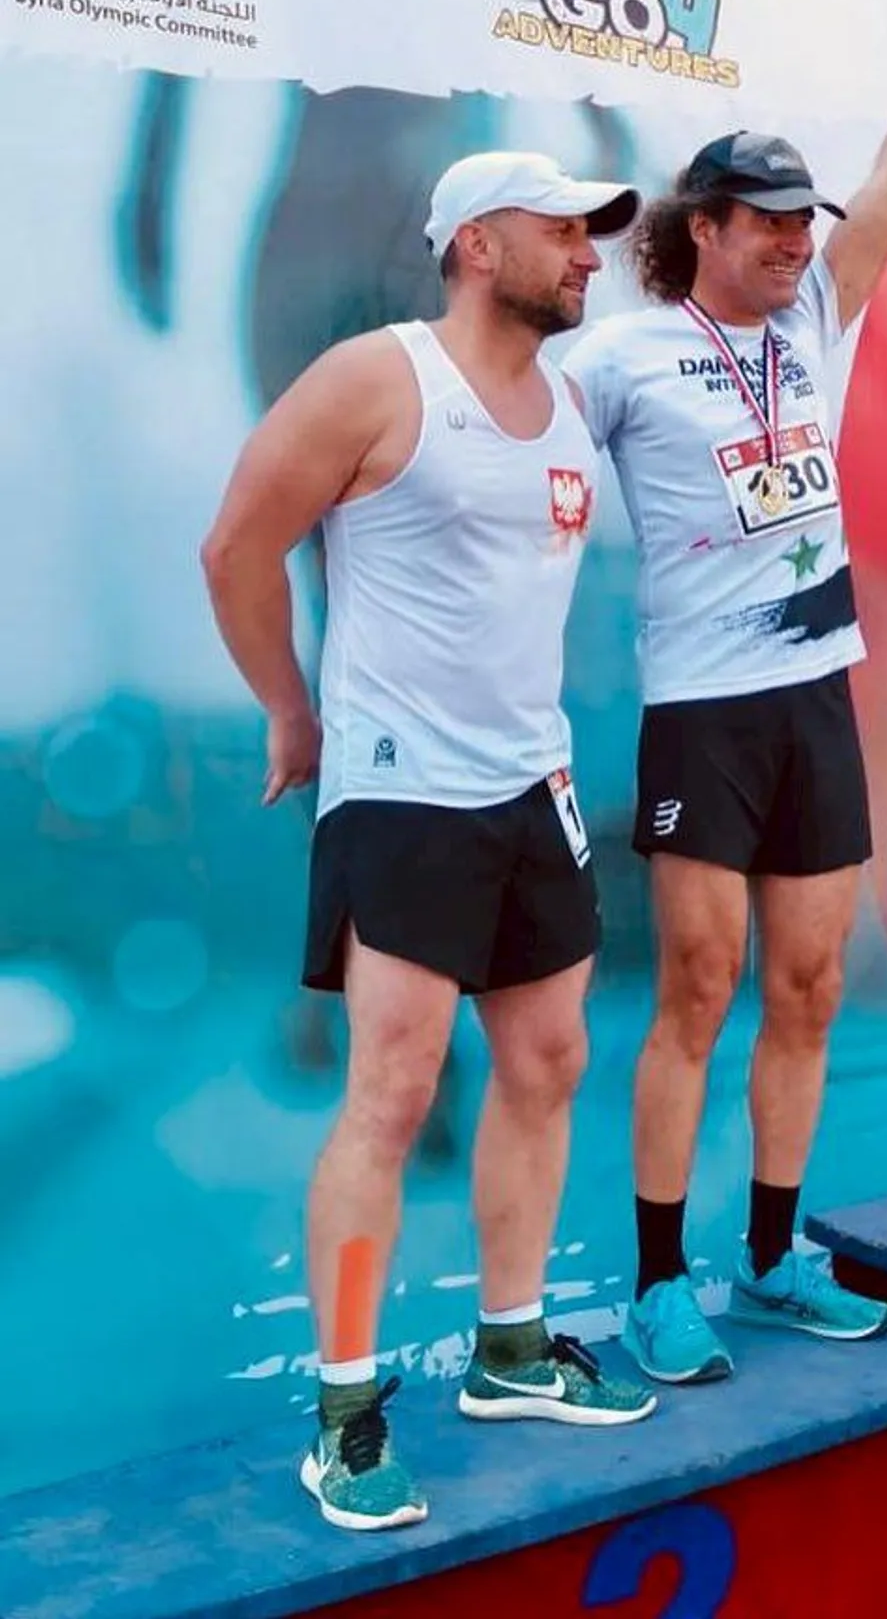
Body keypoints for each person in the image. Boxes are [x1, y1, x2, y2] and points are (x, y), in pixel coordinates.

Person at [566, 0, 887, 1378]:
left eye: (796, 226)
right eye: (764, 223)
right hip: (702, 715)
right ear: (702, 228)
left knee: (812, 984)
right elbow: (504, 446)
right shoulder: (628, 357)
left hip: (814, 700)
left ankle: (770, 1256)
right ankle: (660, 1279)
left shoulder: (813, 326)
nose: (791, 243)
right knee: (700, 984)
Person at [200, 151, 657, 1533]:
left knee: (549, 1059)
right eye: (564, 229)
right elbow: (236, 546)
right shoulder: (374, 380)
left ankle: (511, 1349)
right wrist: (291, 711)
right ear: (475, 243)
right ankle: (342, 1415)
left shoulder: (573, 405)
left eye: (596, 233)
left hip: (533, 791)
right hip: (400, 791)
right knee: (392, 1094)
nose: (588, 254)